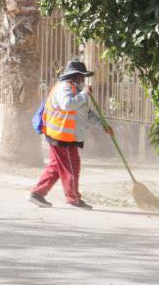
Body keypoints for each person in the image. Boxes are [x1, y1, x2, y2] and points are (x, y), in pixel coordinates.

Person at [29, 59, 108, 209]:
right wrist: (84, 94)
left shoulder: (75, 90)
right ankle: (73, 199)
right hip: (61, 136)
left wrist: (103, 125)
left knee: (56, 167)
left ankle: (37, 193)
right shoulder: (64, 88)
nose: (84, 80)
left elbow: (87, 114)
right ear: (76, 76)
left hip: (64, 136)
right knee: (72, 166)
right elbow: (67, 105)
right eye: (82, 76)